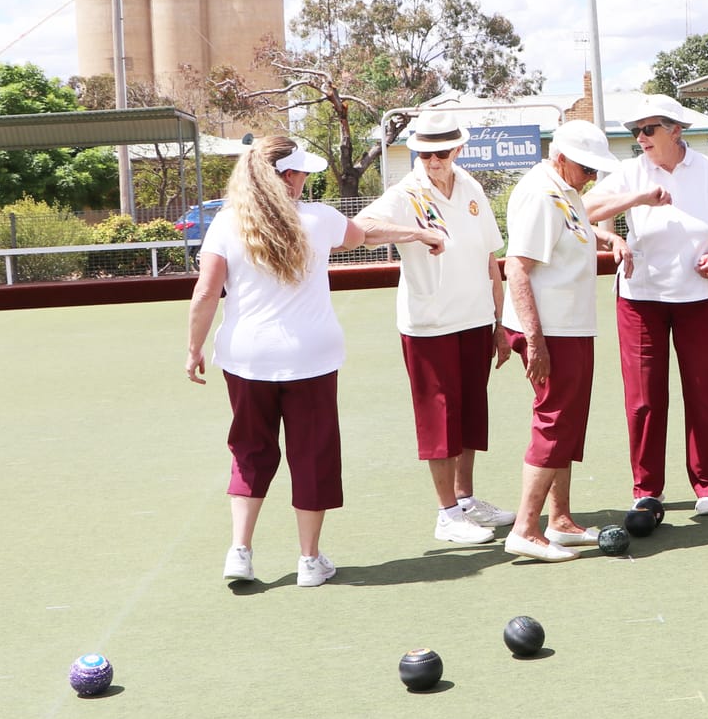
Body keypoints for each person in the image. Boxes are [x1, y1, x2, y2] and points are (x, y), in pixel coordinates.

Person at [185, 136, 369, 588]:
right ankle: (309, 561)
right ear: (287, 176)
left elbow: (207, 292)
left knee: (249, 451)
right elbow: (361, 236)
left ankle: (240, 551)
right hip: (312, 358)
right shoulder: (320, 219)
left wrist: (193, 349)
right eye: (302, 172)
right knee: (313, 455)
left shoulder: (227, 223)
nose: (306, 179)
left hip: (246, 358)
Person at [355, 113, 518, 549]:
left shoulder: (471, 188)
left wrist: (501, 324)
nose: (432, 161)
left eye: (441, 153)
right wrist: (415, 232)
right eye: (424, 153)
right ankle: (446, 514)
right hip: (429, 325)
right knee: (439, 420)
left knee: (469, 415)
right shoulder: (406, 192)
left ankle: (464, 501)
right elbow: (360, 230)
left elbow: (490, 259)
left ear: (458, 150)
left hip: (475, 317)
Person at [585, 93, 708, 515]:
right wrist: (632, 207)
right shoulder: (629, 173)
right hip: (641, 299)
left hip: (701, 298)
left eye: (647, 129)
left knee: (705, 395)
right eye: (634, 131)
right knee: (643, 400)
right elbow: (582, 209)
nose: (639, 138)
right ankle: (647, 490)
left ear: (675, 130)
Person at [500, 120, 632, 562]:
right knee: (554, 422)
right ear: (560, 158)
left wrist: (608, 235)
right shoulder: (541, 193)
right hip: (550, 330)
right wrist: (535, 341)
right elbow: (517, 267)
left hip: (569, 326)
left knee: (567, 423)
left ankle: (559, 520)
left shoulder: (564, 189)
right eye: (586, 167)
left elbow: (572, 232)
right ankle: (525, 527)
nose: (592, 176)